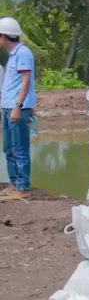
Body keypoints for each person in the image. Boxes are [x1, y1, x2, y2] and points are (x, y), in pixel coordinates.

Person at [1, 17, 35, 201]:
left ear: (3, 37)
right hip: (7, 107)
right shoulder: (13, 55)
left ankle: (22, 187)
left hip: (17, 109)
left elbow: (25, 82)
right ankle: (14, 183)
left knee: (20, 148)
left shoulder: (23, 54)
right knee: (8, 148)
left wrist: (18, 106)